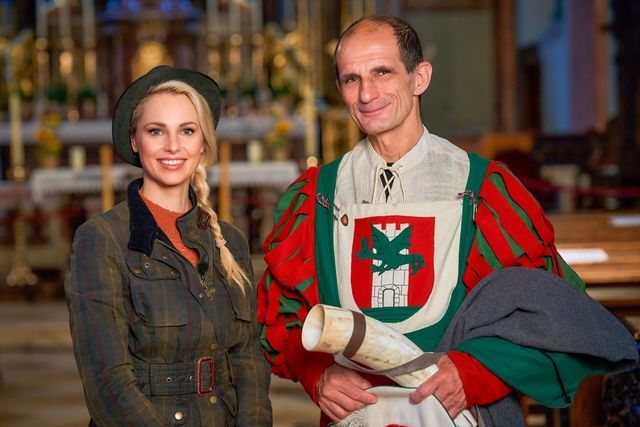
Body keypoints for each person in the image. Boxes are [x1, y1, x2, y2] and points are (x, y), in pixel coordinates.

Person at [257, 15, 637, 426]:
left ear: (420, 77)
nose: (366, 93)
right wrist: (318, 374)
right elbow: (285, 317)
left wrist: (475, 372)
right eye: (352, 79)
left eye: (382, 72)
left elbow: (548, 315)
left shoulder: (482, 189)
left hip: (459, 414)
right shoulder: (317, 196)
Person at [65, 66, 272, 426]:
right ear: (135, 141)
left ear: (203, 143)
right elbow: (108, 385)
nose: (173, 146)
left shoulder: (231, 241)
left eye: (187, 131)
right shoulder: (101, 239)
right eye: (156, 131)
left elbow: (249, 362)